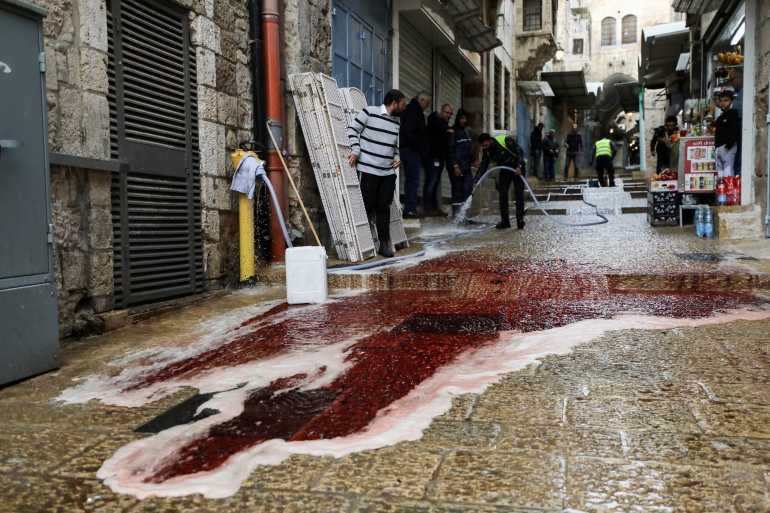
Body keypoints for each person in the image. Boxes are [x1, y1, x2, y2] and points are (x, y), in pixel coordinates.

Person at [348, 89, 406, 258]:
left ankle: (383, 243)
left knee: (383, 208)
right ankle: (362, 244)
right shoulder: (369, 112)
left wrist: (397, 156)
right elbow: (352, 129)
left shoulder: (396, 123)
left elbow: (394, 145)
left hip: (387, 172)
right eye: (403, 104)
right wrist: (356, 149)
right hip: (368, 170)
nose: (404, 108)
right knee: (367, 206)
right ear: (394, 103)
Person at [473, 133, 526, 230]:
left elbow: (519, 151)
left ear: (490, 140)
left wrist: (520, 166)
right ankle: (505, 221)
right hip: (504, 171)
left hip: (517, 169)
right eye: (482, 146)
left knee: (518, 194)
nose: (484, 147)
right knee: (502, 195)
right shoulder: (487, 151)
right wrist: (476, 180)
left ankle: (520, 220)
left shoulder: (505, 140)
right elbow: (483, 166)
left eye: (485, 145)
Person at [399, 91, 432, 218]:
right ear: (421, 100)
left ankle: (410, 208)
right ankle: (409, 209)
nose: (427, 107)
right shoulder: (413, 110)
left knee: (412, 180)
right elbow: (410, 131)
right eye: (427, 104)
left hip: (411, 150)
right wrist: (418, 147)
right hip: (410, 151)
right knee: (413, 180)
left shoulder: (414, 110)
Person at [424, 103, 453, 216]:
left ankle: (435, 207)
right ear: (441, 111)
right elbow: (437, 125)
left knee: (435, 183)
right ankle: (429, 208)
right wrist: (447, 129)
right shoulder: (434, 119)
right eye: (447, 112)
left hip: (439, 158)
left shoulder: (444, 125)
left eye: (450, 113)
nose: (449, 115)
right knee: (431, 182)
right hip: (432, 157)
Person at [446, 108, 473, 219]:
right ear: (458, 119)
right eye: (462, 118)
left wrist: (475, 160)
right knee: (457, 191)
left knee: (468, 190)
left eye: (466, 118)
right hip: (456, 167)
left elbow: (468, 150)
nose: (464, 120)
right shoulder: (453, 132)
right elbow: (450, 150)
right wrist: (455, 166)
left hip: (466, 166)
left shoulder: (467, 132)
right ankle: (457, 218)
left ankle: (464, 217)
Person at [714, 90, 740, 178]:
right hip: (719, 147)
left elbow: (735, 131)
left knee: (728, 172)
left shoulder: (732, 114)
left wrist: (728, 146)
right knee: (720, 173)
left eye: (726, 100)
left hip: (727, 147)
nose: (723, 103)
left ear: (731, 101)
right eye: (721, 101)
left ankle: (729, 190)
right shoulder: (720, 117)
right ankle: (722, 191)